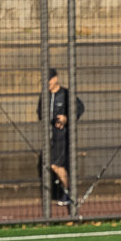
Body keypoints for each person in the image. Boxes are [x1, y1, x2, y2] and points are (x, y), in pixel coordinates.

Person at [45, 70, 82, 206]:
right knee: (54, 166)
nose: (47, 83)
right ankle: (65, 192)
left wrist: (66, 118)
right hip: (50, 137)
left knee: (55, 165)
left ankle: (70, 192)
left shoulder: (65, 94)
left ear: (55, 79)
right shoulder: (46, 97)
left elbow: (80, 108)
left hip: (62, 136)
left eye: (49, 79)